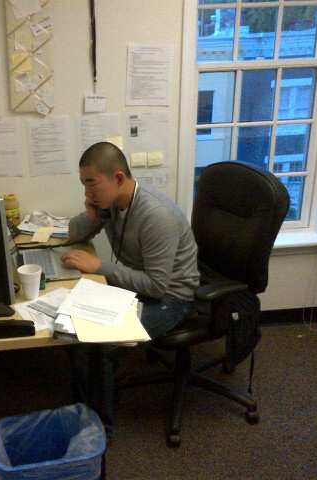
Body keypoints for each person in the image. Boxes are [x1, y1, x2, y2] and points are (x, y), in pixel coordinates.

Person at [61, 141, 202, 438]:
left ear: (119, 179)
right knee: (72, 327)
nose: (87, 192)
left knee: (96, 348)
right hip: (137, 287)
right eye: (83, 184)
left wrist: (98, 265)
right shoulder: (111, 203)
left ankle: (100, 431)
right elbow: (74, 234)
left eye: (91, 184)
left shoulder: (155, 215)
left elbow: (155, 285)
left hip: (171, 298)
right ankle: (89, 402)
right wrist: (91, 215)